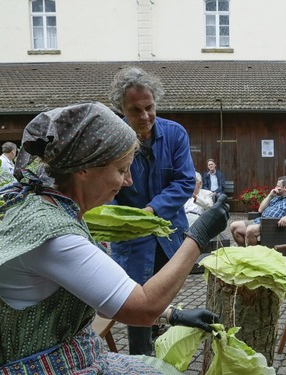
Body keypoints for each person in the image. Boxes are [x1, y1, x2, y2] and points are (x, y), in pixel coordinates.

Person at [0, 102, 230, 374]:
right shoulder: (54, 236)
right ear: (84, 169)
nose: (127, 181)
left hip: (60, 356)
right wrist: (197, 236)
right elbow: (142, 309)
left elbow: (104, 297)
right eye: (120, 169)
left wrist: (174, 315)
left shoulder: (44, 208)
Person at [108, 66, 196, 355]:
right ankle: (140, 361)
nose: (145, 116)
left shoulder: (175, 134)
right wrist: (119, 221)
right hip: (132, 240)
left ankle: (162, 353)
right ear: (121, 108)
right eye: (136, 110)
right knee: (137, 305)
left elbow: (184, 182)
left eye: (150, 107)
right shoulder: (110, 139)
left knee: (161, 298)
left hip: (168, 235)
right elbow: (106, 191)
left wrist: (151, 210)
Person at [230, 176, 286, 247]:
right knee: (234, 226)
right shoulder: (277, 197)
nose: (275, 188)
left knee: (250, 230)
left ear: (285, 188)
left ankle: (253, 256)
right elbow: (260, 210)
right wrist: (270, 195)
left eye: (277, 186)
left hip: (271, 225)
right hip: (259, 220)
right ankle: (243, 251)